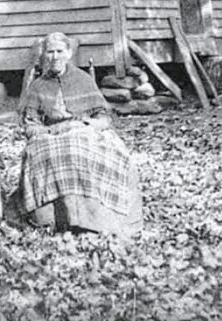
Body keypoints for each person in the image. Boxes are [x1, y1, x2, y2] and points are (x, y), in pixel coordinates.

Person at [18, 31, 143, 235]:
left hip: (84, 129)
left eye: (60, 51)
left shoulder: (83, 79)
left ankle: (94, 219)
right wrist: (46, 131)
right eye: (50, 52)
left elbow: (104, 117)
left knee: (87, 150)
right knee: (46, 152)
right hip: (51, 135)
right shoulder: (37, 86)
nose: (55, 57)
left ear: (68, 53)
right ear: (44, 56)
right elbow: (30, 123)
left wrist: (89, 125)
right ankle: (54, 219)